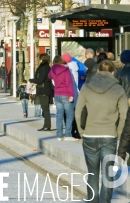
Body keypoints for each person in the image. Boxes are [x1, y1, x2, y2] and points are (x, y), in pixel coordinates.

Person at [76, 60, 127, 203]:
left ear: (98, 71)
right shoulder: (118, 89)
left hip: (90, 134)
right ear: (112, 72)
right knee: (107, 175)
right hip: (109, 135)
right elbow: (124, 115)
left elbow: (78, 111)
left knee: (92, 174)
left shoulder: (87, 87)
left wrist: (81, 131)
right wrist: (118, 133)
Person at [48, 56, 76, 141]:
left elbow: (49, 76)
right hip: (66, 94)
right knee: (70, 115)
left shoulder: (53, 69)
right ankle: (68, 135)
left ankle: (59, 135)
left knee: (59, 115)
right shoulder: (66, 70)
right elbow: (69, 83)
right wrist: (72, 94)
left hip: (57, 94)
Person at [30, 54, 53, 131]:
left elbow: (40, 80)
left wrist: (32, 80)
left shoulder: (43, 68)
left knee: (45, 108)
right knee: (45, 108)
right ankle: (47, 125)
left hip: (44, 90)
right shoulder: (46, 67)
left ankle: (47, 125)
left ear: (42, 59)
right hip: (45, 89)